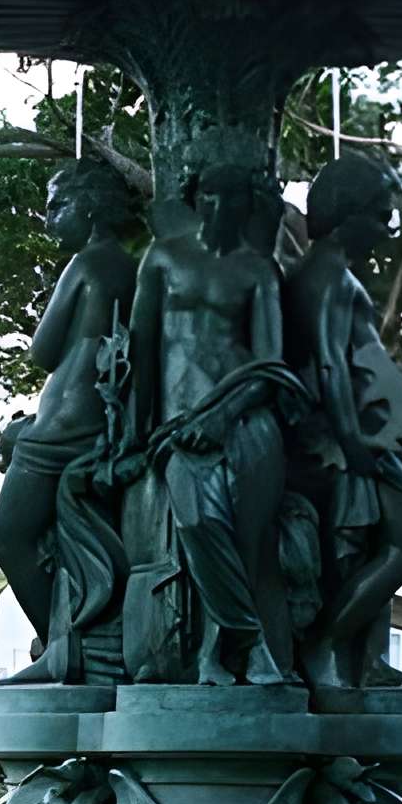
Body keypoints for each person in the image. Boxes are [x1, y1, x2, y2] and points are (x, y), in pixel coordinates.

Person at [130, 156, 298, 685]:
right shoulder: (162, 259)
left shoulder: (258, 269)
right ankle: (252, 644)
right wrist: (132, 436)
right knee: (199, 524)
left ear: (249, 205)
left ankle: (213, 657)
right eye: (210, 195)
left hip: (247, 419)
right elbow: (142, 350)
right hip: (181, 428)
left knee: (250, 544)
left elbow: (272, 365)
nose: (221, 207)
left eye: (233, 196)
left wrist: (226, 415)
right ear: (193, 198)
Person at [0, 162, 139, 681]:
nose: (48, 218)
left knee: (8, 541)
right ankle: (71, 639)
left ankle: (61, 651)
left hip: (63, 429)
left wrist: (26, 429)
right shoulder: (133, 267)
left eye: (57, 206)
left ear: (92, 206)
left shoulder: (87, 263)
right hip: (94, 422)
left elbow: (43, 351)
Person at [283, 154, 402, 692]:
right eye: (380, 213)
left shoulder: (323, 273)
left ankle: (366, 662)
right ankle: (328, 642)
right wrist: (356, 441)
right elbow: (329, 365)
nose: (388, 227)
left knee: (370, 550)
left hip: (373, 430)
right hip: (363, 438)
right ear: (349, 213)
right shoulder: (329, 276)